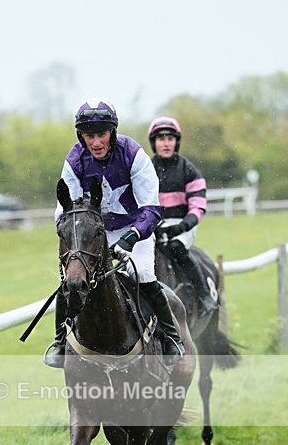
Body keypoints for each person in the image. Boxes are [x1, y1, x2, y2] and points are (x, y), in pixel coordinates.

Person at [45, 98, 185, 368]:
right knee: (72, 279)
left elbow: (152, 209)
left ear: (112, 133)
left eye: (101, 135)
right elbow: (66, 211)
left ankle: (171, 337)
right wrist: (75, 240)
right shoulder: (75, 160)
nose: (96, 142)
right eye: (89, 136)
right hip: (94, 233)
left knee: (142, 274)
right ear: (81, 136)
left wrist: (130, 238)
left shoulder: (133, 154)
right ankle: (61, 341)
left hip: (135, 229)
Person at [148, 116, 217, 318]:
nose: (166, 143)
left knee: (176, 248)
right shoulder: (146, 170)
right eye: (161, 139)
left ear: (176, 141)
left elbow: (198, 207)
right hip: (155, 226)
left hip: (183, 226)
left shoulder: (189, 170)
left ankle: (205, 295)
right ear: (154, 143)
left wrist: (182, 226)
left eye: (170, 138)